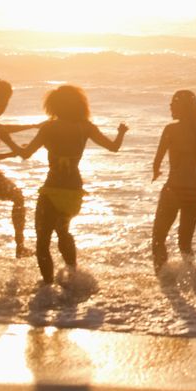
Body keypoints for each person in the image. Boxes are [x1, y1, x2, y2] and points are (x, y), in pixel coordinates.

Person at [14, 85, 128, 284]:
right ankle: (73, 276)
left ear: (54, 105)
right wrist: (121, 132)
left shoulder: (49, 128)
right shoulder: (85, 127)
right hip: (74, 191)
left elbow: (25, 154)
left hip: (51, 189)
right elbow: (114, 147)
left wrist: (6, 138)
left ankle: (48, 286)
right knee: (63, 232)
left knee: (43, 242)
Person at [151, 90, 196, 272]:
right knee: (185, 244)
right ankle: (194, 277)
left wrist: (156, 170)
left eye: (172, 104)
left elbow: (157, 159)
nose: (170, 107)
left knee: (158, 238)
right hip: (194, 190)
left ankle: (163, 278)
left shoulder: (171, 129)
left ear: (181, 107)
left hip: (174, 188)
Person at [0, 79, 36, 262]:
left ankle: (20, 247)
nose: (5, 107)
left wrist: (36, 127)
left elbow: (7, 131)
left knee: (18, 197)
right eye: (3, 102)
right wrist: (11, 154)